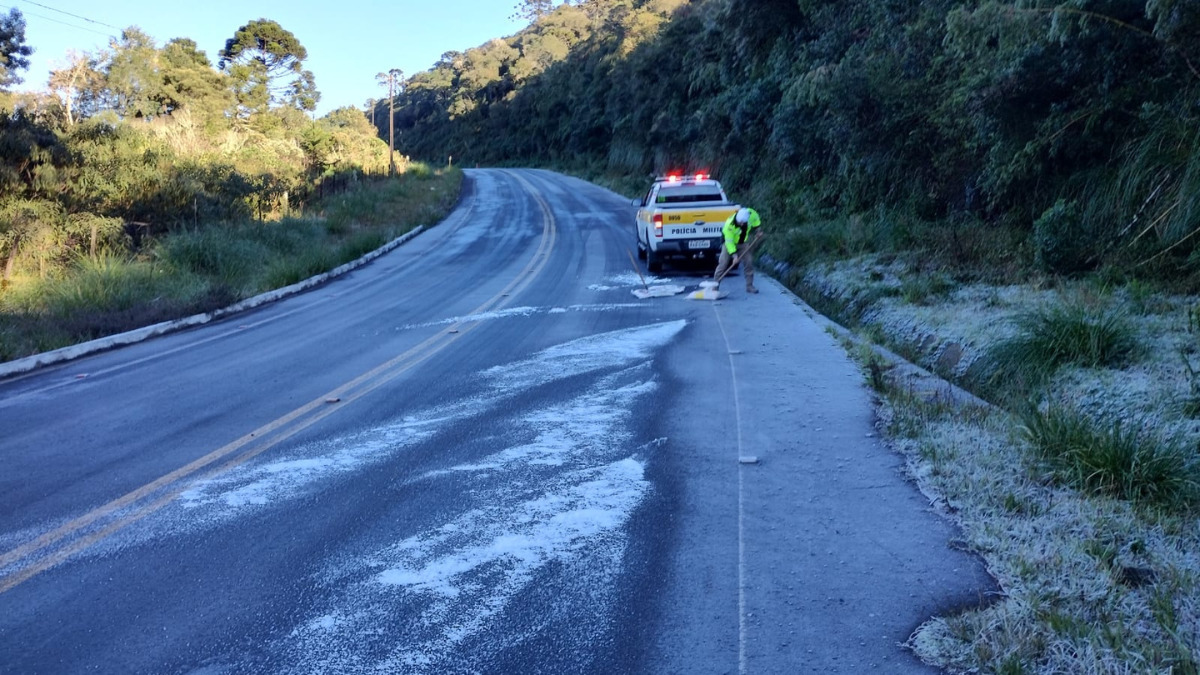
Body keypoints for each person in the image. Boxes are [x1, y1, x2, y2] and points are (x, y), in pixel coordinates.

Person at [713, 207, 762, 293]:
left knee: (749, 262)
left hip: (743, 244)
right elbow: (729, 243)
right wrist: (734, 256)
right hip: (729, 244)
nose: (742, 224)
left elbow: (756, 219)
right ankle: (715, 286)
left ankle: (749, 286)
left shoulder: (751, 213)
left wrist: (758, 230)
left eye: (744, 222)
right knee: (723, 263)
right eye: (740, 222)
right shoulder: (729, 225)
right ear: (737, 219)